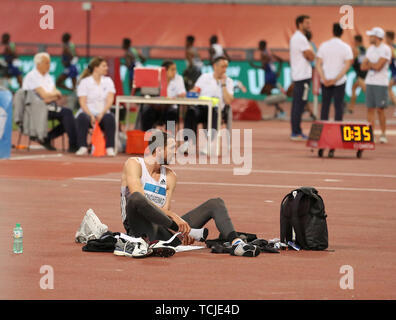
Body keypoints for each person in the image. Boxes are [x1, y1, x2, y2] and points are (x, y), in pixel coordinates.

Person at [117, 130, 260, 258]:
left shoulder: (170, 176)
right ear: (159, 150)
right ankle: (188, 232)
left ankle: (237, 243)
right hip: (138, 229)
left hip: (163, 232)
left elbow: (165, 210)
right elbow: (138, 195)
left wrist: (180, 227)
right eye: (172, 148)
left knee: (215, 203)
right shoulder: (134, 164)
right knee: (136, 198)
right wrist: (174, 217)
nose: (176, 153)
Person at [22, 52, 78, 152]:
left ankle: (47, 138)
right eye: (46, 63)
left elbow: (58, 94)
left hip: (49, 105)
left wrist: (50, 97)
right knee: (68, 113)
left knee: (68, 118)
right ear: (38, 64)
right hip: (35, 108)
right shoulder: (32, 76)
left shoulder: (48, 77)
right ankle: (74, 145)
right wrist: (51, 96)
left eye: (49, 63)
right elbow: (45, 96)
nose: (49, 65)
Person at [315, 23, 353, 157]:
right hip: (339, 82)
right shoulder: (346, 47)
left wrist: (325, 78)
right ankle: (336, 142)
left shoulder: (324, 45)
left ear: (332, 31)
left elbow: (318, 64)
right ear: (342, 32)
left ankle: (322, 140)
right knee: (338, 108)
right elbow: (347, 66)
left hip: (326, 81)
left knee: (324, 108)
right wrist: (336, 79)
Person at [183, 56, 234, 153]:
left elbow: (228, 101)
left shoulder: (229, 81)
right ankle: (187, 143)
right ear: (215, 66)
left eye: (226, 67)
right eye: (222, 67)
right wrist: (192, 92)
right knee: (191, 112)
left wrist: (223, 85)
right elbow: (196, 90)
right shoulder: (204, 77)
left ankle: (209, 144)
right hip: (201, 109)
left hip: (217, 111)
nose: (225, 70)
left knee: (214, 112)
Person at [75, 57, 116, 156]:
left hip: (103, 113)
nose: (106, 68)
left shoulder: (108, 81)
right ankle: (83, 146)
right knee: (82, 117)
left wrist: (102, 113)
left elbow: (110, 100)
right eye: (104, 66)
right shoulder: (85, 82)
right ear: (96, 68)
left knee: (110, 118)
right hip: (88, 113)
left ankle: (109, 147)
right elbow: (82, 102)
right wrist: (91, 115)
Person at [361, 27, 391, 144]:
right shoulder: (370, 49)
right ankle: (370, 134)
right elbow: (363, 66)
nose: (369, 38)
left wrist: (371, 65)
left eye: (371, 36)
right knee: (370, 109)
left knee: (380, 110)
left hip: (381, 83)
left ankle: (383, 134)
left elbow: (379, 67)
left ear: (377, 37)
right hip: (370, 82)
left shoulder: (386, 49)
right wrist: (373, 65)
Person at [289, 15, 315, 141]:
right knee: (299, 104)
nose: (309, 25)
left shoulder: (297, 37)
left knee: (298, 104)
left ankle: (295, 130)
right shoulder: (300, 38)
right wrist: (311, 50)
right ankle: (296, 132)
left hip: (299, 75)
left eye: (310, 22)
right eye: (307, 23)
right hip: (302, 76)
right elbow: (310, 56)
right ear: (300, 24)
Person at [141, 60, 186, 132]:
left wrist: (174, 98)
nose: (175, 72)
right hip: (156, 107)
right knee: (147, 112)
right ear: (165, 70)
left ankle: (169, 139)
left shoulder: (179, 79)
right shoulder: (155, 78)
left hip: (171, 108)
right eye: (172, 69)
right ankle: (146, 138)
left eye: (175, 69)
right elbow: (149, 94)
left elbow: (183, 94)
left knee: (172, 114)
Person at [348, 35, 368, 114]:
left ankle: (373, 105)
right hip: (364, 72)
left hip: (361, 74)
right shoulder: (364, 49)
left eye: (354, 41)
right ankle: (351, 108)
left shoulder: (355, 50)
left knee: (366, 91)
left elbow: (351, 60)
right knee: (354, 88)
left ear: (356, 41)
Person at [385, 31, 396, 114]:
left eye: (386, 37)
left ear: (389, 38)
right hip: (393, 73)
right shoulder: (393, 47)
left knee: (388, 87)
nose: (385, 39)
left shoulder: (391, 48)